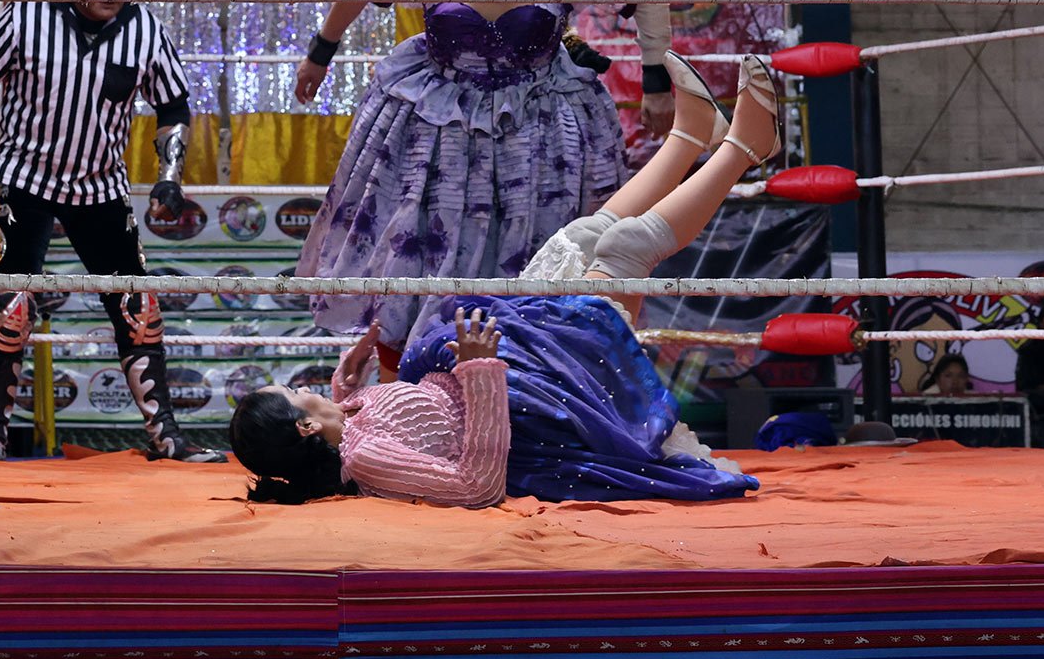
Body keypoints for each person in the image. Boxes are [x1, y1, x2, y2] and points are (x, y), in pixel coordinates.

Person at [230, 51, 779, 507]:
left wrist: (345, 390)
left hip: (518, 371)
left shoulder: (351, 427)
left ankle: (688, 136)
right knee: (622, 250)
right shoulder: (366, 458)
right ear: (304, 428)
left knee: (580, 239)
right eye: (294, 392)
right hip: (542, 407)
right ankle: (744, 150)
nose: (301, 385)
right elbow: (478, 485)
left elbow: (411, 423)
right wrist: (478, 368)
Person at [293, 0, 675, 372]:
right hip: (437, 128)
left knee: (540, 255)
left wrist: (657, 82)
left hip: (538, 136)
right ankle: (402, 397)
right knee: (421, 252)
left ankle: (530, 391)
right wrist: (319, 54)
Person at [0, 0, 224, 464]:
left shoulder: (144, 29)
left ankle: (166, 437)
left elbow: (172, 105)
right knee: (11, 306)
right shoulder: (26, 16)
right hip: (24, 178)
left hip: (101, 183)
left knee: (137, 305)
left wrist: (169, 174)